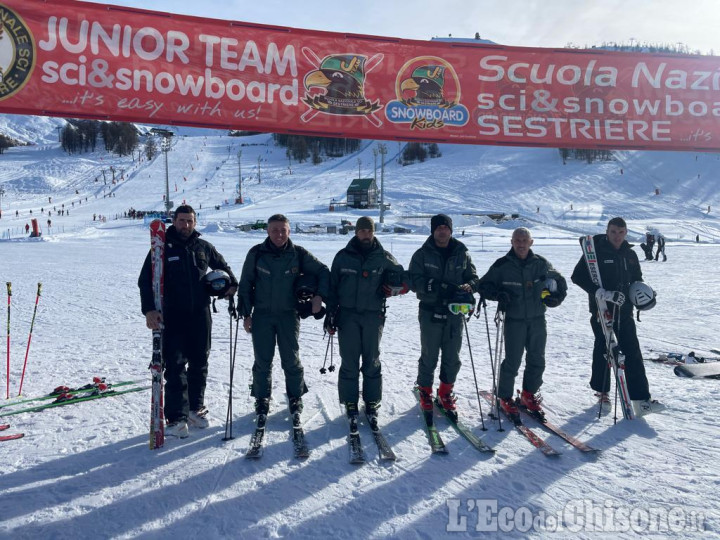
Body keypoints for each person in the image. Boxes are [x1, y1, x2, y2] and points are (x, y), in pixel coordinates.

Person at [138, 205, 237, 438]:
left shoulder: (204, 247)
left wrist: (230, 286)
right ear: (174, 221)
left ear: (195, 222)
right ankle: (176, 417)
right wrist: (149, 310)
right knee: (174, 366)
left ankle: (194, 408)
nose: (186, 225)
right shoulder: (160, 248)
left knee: (200, 363)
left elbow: (225, 270)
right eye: (182, 221)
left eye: (190, 221)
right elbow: (145, 281)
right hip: (172, 315)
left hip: (200, 314)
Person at [238, 214, 329, 417]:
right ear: (268, 231)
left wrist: (319, 296)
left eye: (283, 230)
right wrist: (245, 314)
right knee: (262, 361)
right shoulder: (256, 253)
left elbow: (323, 271)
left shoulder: (298, 254)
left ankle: (295, 397)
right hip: (262, 316)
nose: (279, 234)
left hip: (288, 315)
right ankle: (262, 399)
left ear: (289, 231)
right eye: (274, 230)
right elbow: (245, 284)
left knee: (291, 359)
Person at [571, 217, 661, 413]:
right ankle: (602, 393)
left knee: (633, 352)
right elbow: (577, 276)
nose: (617, 236)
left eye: (621, 232)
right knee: (603, 350)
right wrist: (598, 291)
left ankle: (640, 400)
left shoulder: (630, 254)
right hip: (601, 311)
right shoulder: (595, 251)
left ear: (626, 233)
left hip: (624, 310)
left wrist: (643, 293)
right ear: (607, 231)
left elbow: (637, 278)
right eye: (613, 232)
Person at [478, 227, 567, 419]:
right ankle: (504, 397)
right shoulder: (502, 265)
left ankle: (528, 394)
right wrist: (497, 294)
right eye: (517, 240)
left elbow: (560, 281)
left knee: (537, 359)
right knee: (512, 361)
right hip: (514, 320)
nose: (521, 244)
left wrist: (556, 298)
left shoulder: (541, 264)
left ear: (531, 242)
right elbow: (483, 285)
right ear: (511, 242)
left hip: (537, 319)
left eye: (524, 240)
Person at [325, 216, 408, 421]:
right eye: (362, 231)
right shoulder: (342, 257)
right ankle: (350, 400)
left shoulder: (383, 256)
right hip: (347, 316)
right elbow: (332, 287)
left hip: (373, 315)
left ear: (373, 232)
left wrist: (394, 287)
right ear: (356, 232)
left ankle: (372, 400)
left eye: (369, 231)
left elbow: (401, 277)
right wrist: (330, 314)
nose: (366, 235)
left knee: (371, 359)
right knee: (350, 360)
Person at [408, 214, 479, 416]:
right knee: (429, 355)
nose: (442, 231)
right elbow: (413, 280)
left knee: (452, 356)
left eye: (445, 228)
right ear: (433, 231)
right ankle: (425, 390)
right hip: (430, 311)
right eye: (438, 228)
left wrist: (469, 287)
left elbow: (473, 278)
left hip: (455, 313)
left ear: (450, 230)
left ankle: (446, 393)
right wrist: (435, 286)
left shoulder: (461, 253)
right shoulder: (422, 254)